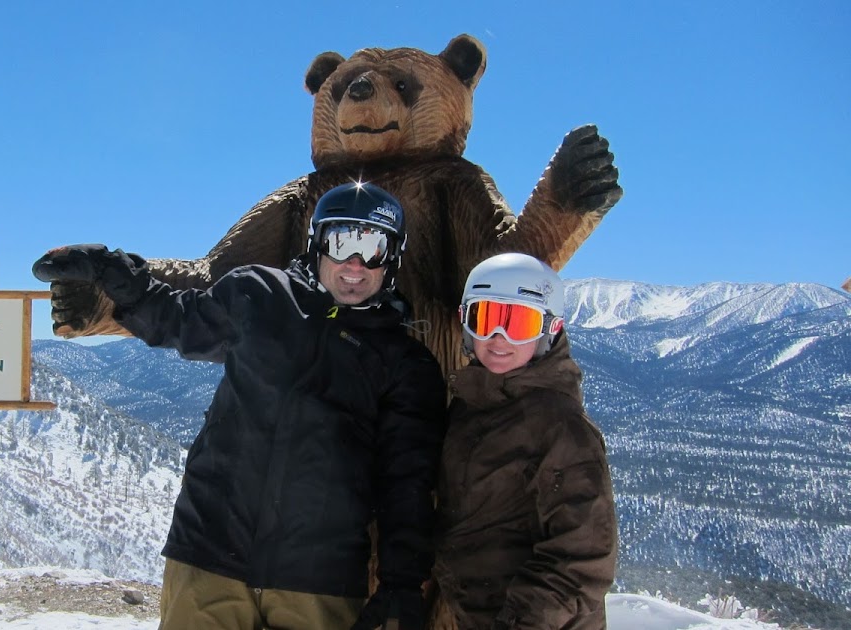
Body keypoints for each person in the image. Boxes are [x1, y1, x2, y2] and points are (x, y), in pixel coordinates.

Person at [33, 182, 447, 630]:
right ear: (317, 243)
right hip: (207, 556)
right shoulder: (259, 296)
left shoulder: (405, 364)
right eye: (343, 240)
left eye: (374, 246)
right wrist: (108, 268)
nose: (355, 263)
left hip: (316, 581)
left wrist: (402, 584)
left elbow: (406, 482)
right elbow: (176, 319)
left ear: (394, 258)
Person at [431, 252, 617, 630]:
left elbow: (582, 558)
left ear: (550, 329)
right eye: (484, 319)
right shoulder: (471, 406)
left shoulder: (561, 427)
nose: (498, 338)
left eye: (518, 323)